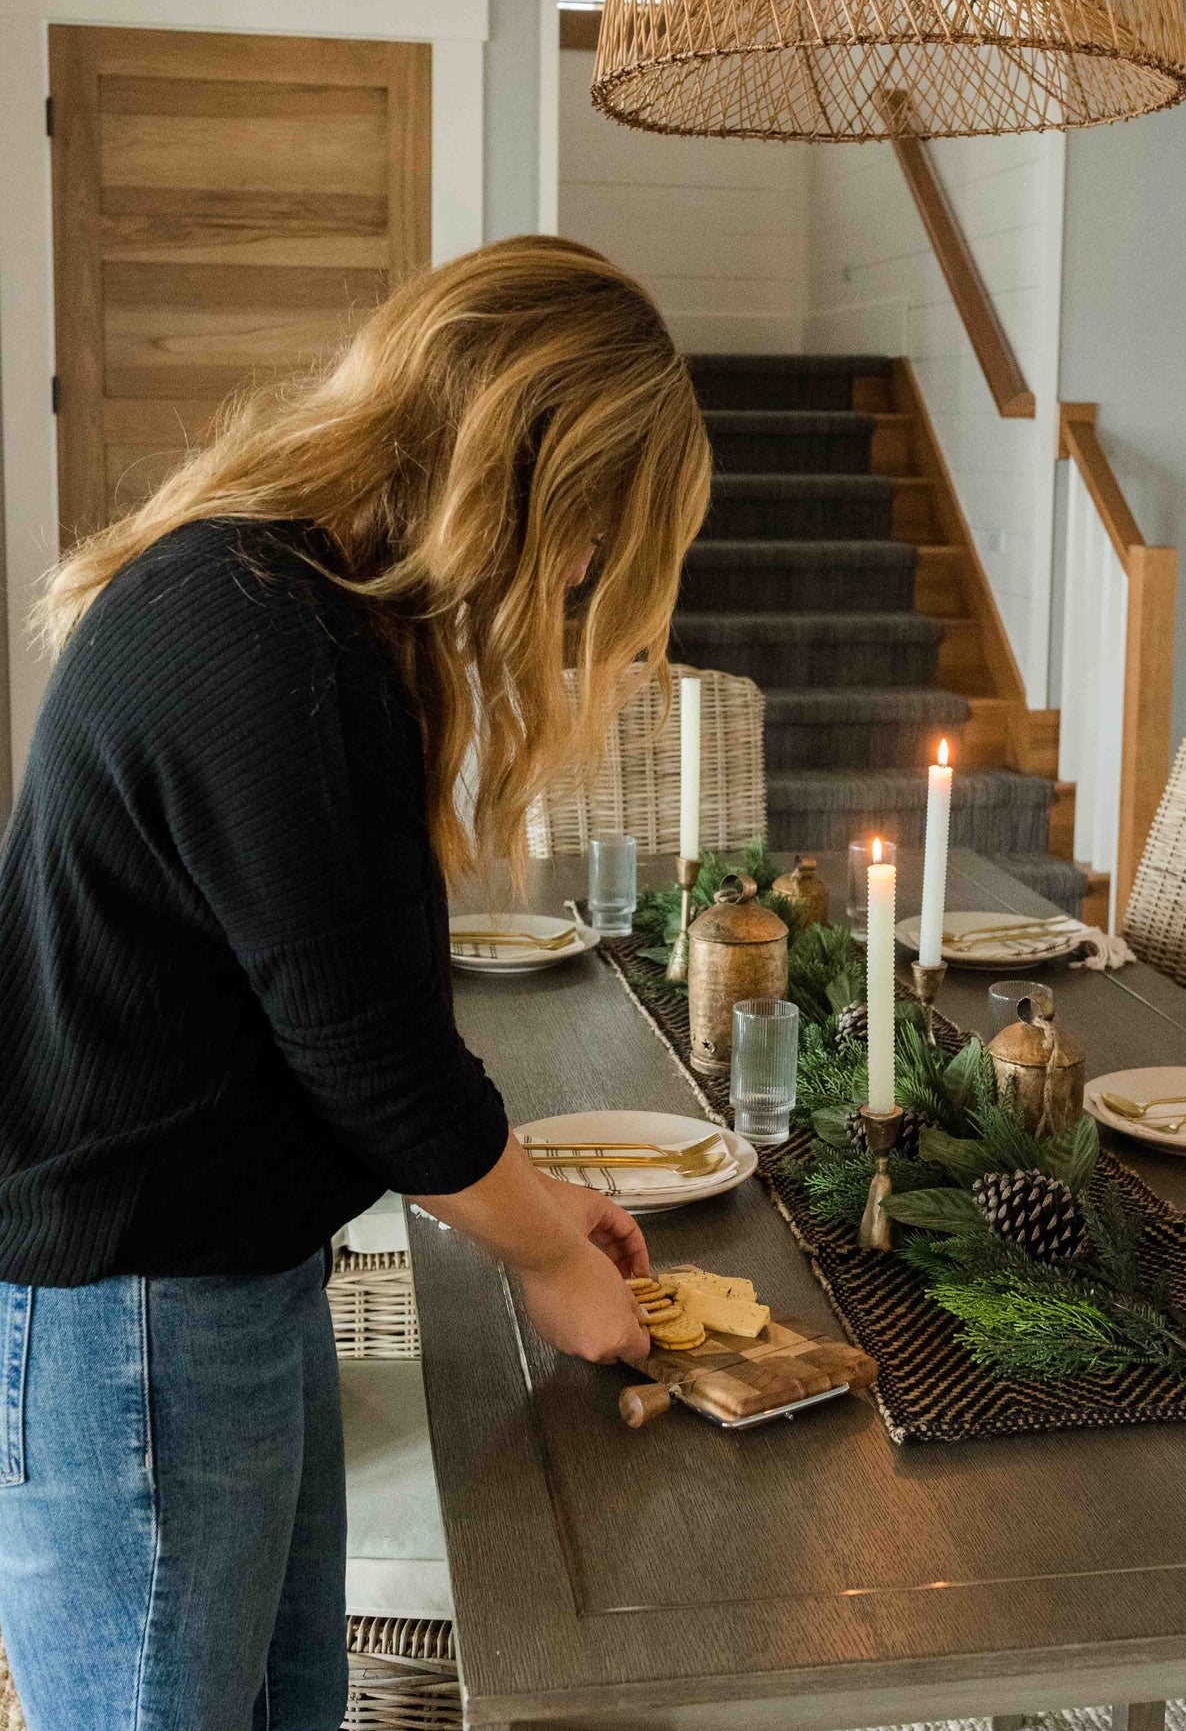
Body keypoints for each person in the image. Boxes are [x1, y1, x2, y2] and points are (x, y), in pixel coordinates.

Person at [0, 237, 712, 1730]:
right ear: (529, 480)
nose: (583, 581)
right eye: (595, 538)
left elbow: (349, 1010)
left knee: (281, 1707)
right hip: (138, 1303)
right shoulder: (274, 636)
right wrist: (542, 1258)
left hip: (207, 1275)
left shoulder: (286, 602)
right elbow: (377, 1063)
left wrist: (532, 1203)